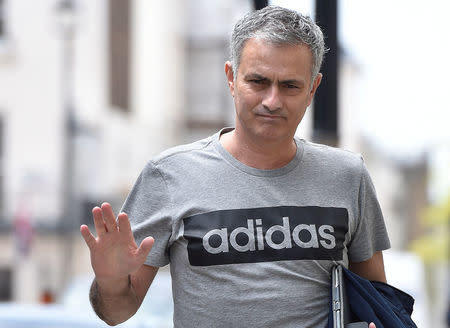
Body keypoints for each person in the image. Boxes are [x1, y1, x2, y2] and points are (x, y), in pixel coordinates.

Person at [80, 6, 390, 328]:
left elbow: (379, 303)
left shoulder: (347, 176)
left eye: (290, 86)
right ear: (231, 78)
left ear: (313, 89)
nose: (272, 100)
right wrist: (111, 279)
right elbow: (116, 313)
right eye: (258, 81)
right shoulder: (168, 175)